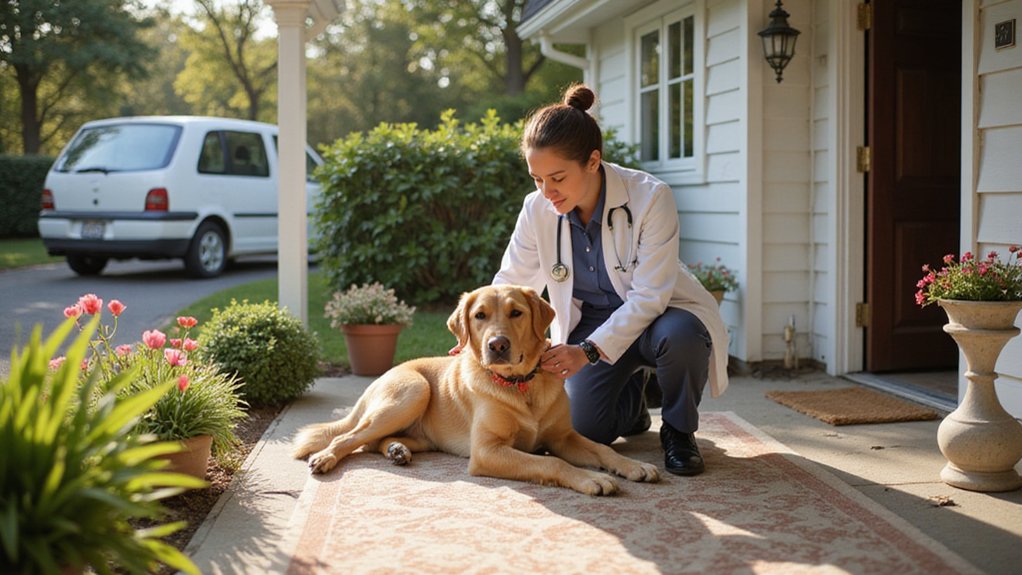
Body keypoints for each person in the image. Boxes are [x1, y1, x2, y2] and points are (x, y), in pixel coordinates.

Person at [493, 84, 729, 476]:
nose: (547, 192)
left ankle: (678, 430)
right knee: (584, 431)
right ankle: (633, 405)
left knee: (683, 337)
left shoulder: (651, 197)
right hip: (591, 322)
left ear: (592, 161)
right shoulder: (536, 209)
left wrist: (585, 352)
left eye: (557, 178)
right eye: (537, 179)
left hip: (662, 317)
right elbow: (511, 279)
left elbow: (650, 297)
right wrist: (485, 329)